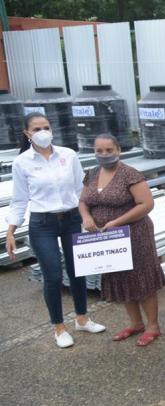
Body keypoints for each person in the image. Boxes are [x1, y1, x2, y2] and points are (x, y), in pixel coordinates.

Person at [5, 112, 106, 347]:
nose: (43, 133)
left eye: (46, 127)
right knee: (52, 275)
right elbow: (19, 200)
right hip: (43, 225)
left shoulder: (68, 155)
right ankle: (59, 328)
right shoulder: (22, 162)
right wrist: (10, 231)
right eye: (37, 129)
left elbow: (83, 189)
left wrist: (90, 216)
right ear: (27, 134)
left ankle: (82, 318)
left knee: (78, 270)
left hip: (71, 219)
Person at [78, 134, 165, 346]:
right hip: (107, 239)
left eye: (109, 150)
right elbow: (83, 201)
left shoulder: (130, 174)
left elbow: (146, 204)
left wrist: (118, 221)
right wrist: (87, 217)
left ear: (118, 150)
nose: (104, 154)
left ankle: (153, 326)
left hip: (135, 235)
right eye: (99, 151)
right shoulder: (91, 174)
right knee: (121, 277)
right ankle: (136, 323)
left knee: (141, 277)